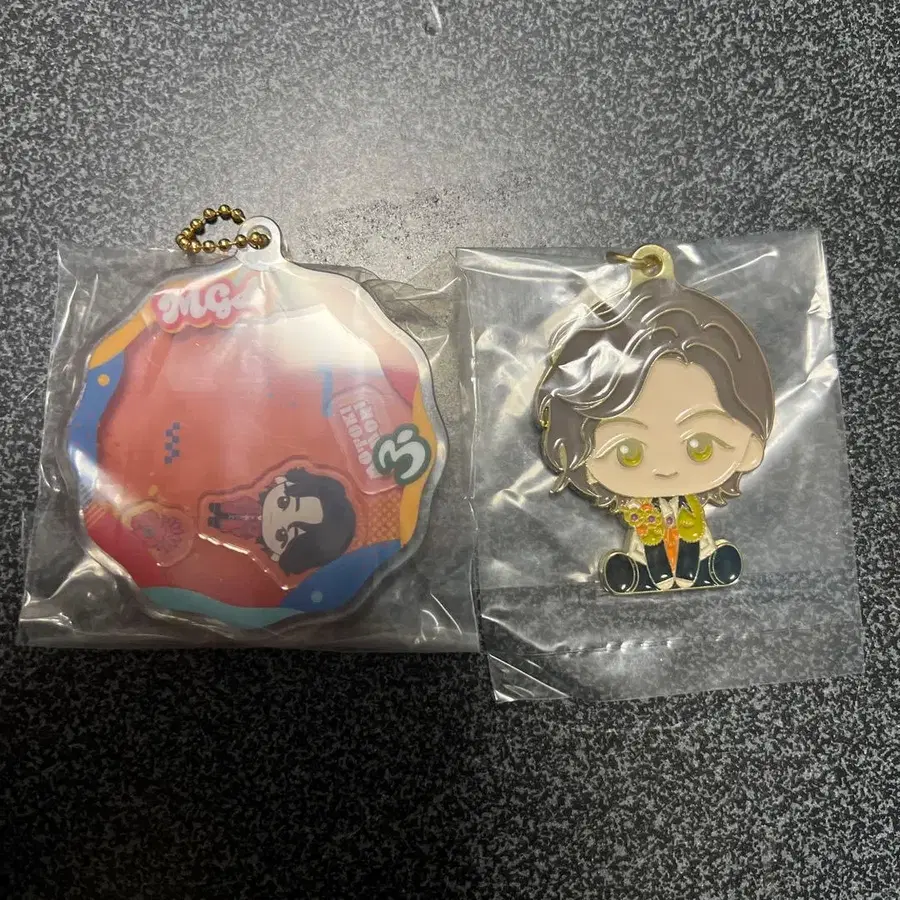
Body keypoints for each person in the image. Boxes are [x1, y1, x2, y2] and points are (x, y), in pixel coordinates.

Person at [534, 273, 775, 594]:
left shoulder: (692, 508)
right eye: (629, 453)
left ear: (750, 448)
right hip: (644, 544)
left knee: (694, 539)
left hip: (695, 542)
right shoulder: (638, 510)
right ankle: (646, 573)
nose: (665, 469)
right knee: (645, 545)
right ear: (579, 460)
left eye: (700, 446)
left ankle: (698, 568)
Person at [208, 468, 356, 576]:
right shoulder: (250, 501)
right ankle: (217, 508)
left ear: (278, 556)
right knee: (238, 505)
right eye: (284, 502)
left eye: (282, 535)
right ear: (285, 481)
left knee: (237, 528)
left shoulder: (253, 532)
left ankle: (216, 523)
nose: (273, 518)